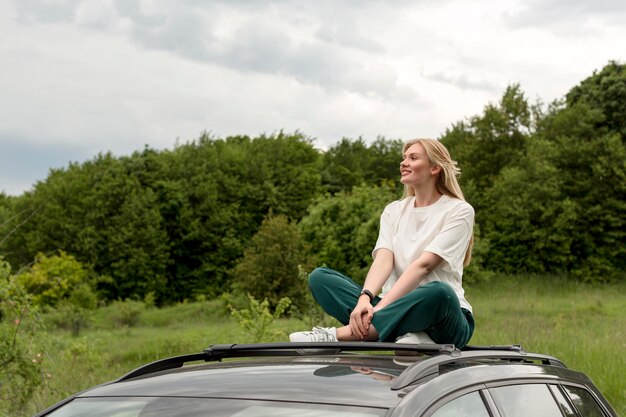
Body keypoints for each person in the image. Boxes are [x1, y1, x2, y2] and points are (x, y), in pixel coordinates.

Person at [289, 138, 475, 348]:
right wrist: (365, 301)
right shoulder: (393, 210)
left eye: (413, 158)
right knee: (320, 278)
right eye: (404, 157)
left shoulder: (459, 211)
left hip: (443, 319)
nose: (403, 162)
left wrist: (378, 311)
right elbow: (384, 260)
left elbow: (423, 266)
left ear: (434, 168)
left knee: (440, 292)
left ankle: (339, 335)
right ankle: (401, 332)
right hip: (391, 306)